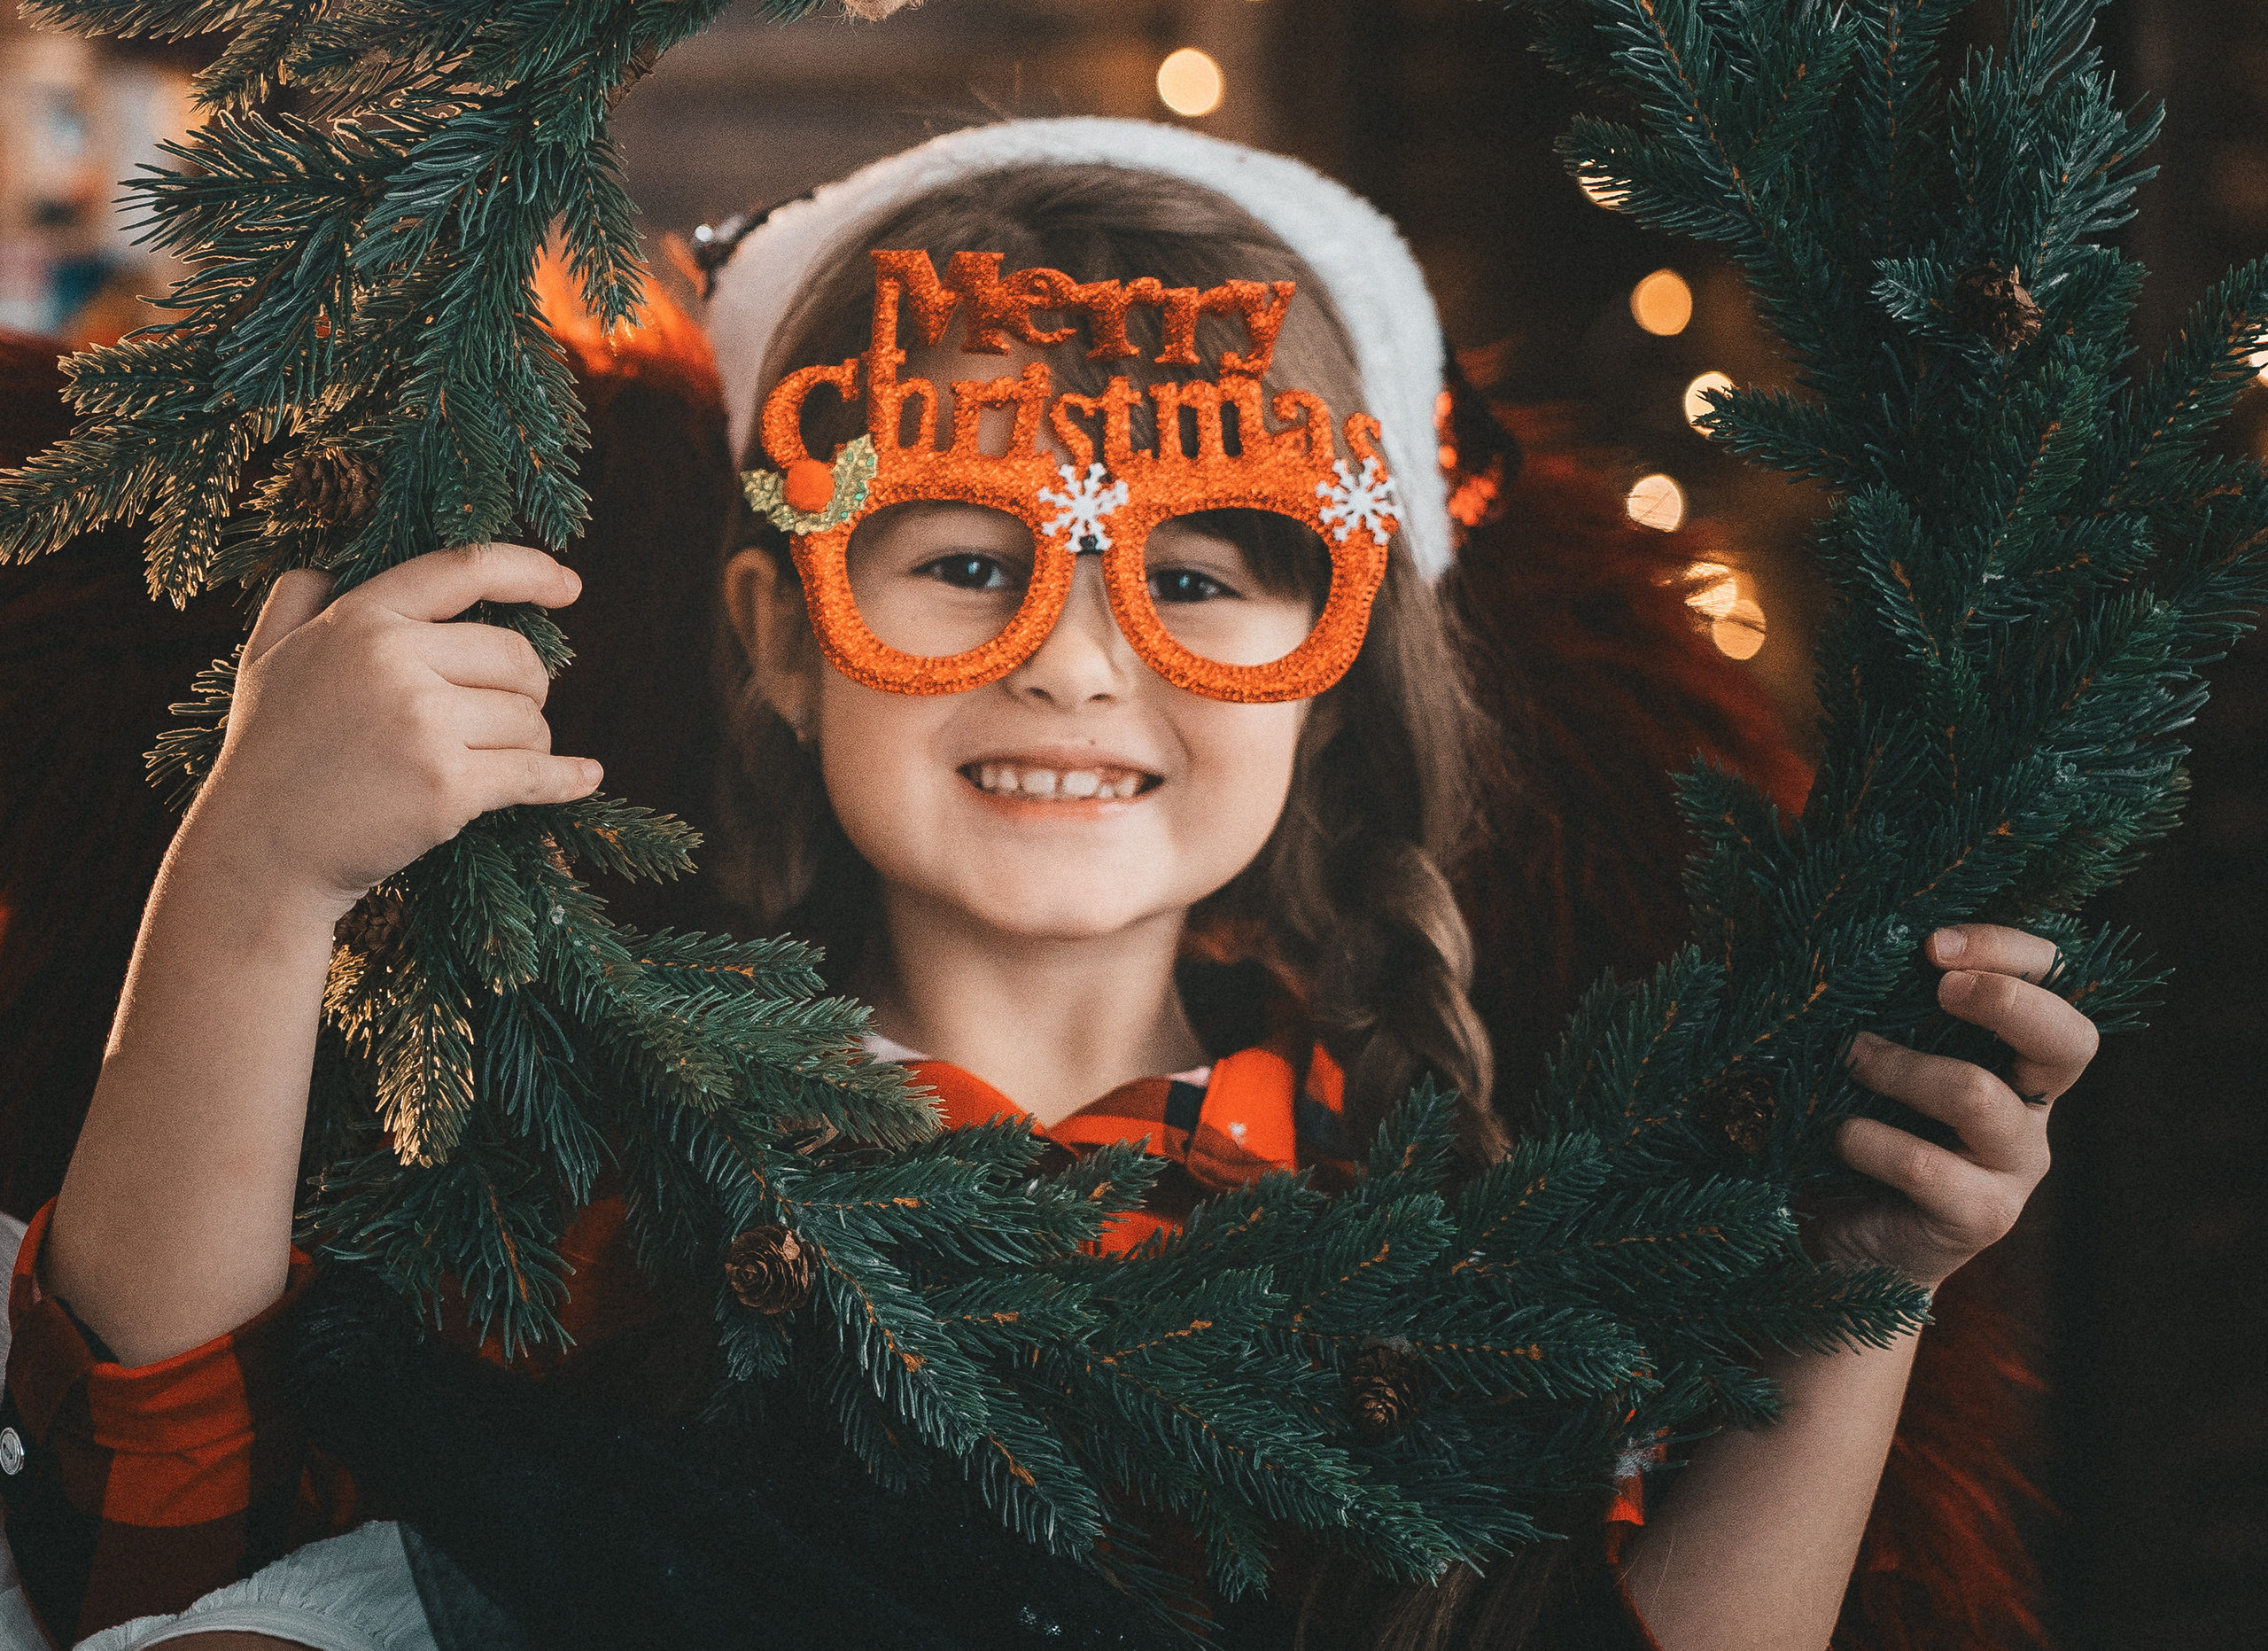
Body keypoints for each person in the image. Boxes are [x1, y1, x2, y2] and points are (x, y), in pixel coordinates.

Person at [0, 121, 2094, 1651]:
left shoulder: (1441, 1242)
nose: (1078, 652)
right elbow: (173, 1542)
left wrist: (1860, 1282)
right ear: (787, 634)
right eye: (965, 558)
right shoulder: (595, 1149)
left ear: (1325, 688)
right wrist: (256, 882)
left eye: (1196, 576)